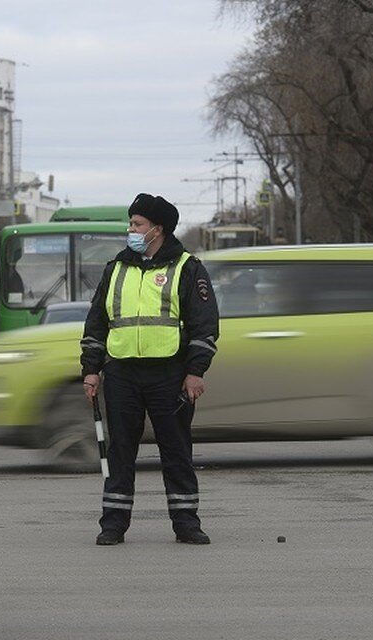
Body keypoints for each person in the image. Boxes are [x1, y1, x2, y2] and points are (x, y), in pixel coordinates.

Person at [80, 193, 219, 546]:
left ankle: (186, 523)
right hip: (122, 375)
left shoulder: (187, 267)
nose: (131, 230)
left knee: (176, 451)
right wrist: (91, 369)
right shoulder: (116, 269)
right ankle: (112, 524)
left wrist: (195, 371)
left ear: (158, 229)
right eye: (131, 224)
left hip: (169, 375)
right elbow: (97, 323)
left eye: (137, 224)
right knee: (120, 451)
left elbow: (205, 325)